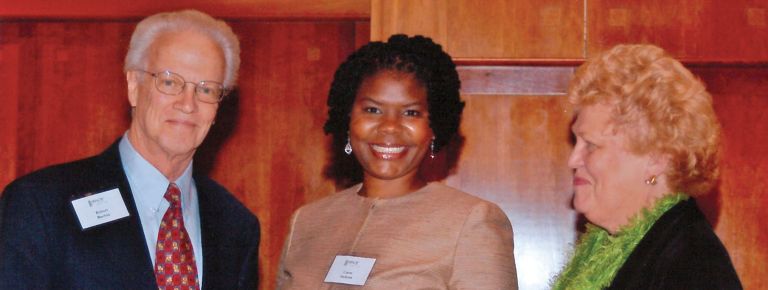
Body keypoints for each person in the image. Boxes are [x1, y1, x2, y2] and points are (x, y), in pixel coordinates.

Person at [0, 10, 260, 289]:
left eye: (206, 90)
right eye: (170, 82)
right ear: (134, 85)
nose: (188, 104)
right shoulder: (41, 206)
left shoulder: (236, 227)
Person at [276, 34, 518, 290]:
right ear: (347, 116)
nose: (389, 127)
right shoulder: (305, 222)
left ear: (434, 126)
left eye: (411, 113)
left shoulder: (472, 222)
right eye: (373, 110)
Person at [553, 44, 742, 289]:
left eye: (591, 145)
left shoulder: (693, 265)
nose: (573, 160)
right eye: (576, 142)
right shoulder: (611, 247)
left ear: (656, 158)